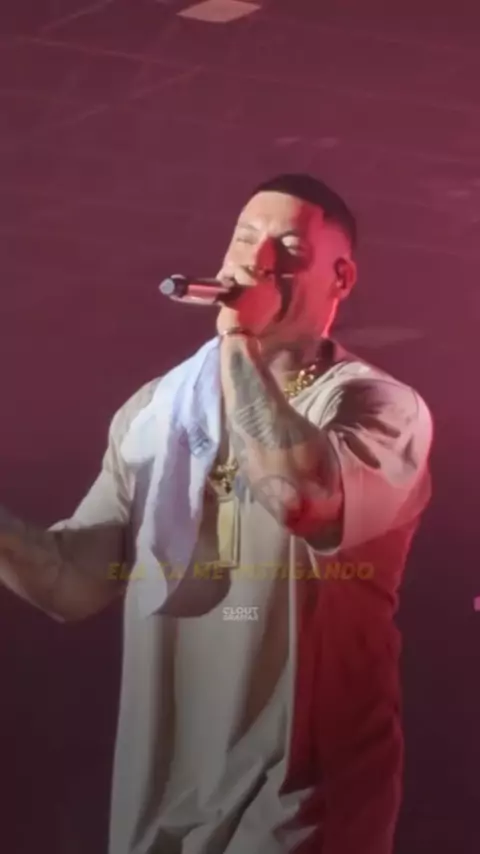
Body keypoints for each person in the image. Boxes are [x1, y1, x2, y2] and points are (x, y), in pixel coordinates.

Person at [0, 174, 433, 854]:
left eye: (288, 249)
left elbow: (301, 497)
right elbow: (70, 581)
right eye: (244, 239)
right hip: (163, 805)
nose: (257, 262)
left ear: (341, 277)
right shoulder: (156, 410)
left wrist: (240, 339)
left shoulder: (379, 406)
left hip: (303, 805)